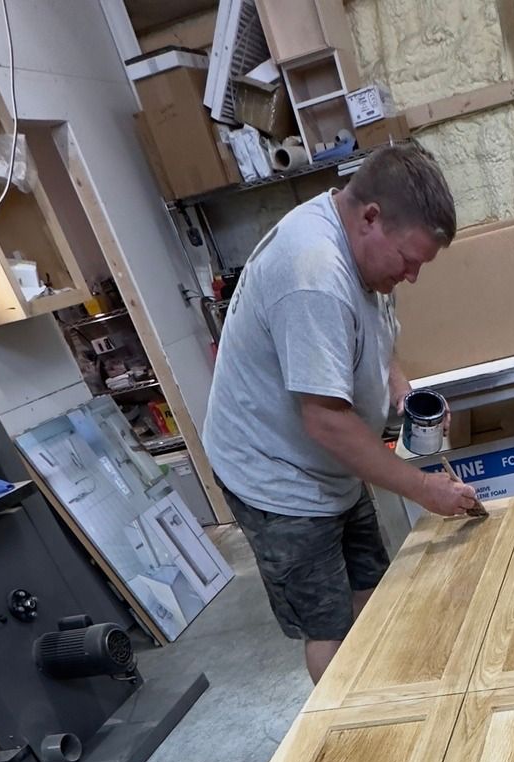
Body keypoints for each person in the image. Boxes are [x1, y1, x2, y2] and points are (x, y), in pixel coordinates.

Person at [203, 142, 480, 683]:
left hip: (328, 464)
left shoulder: (368, 255)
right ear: (371, 218)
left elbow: (372, 334)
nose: (412, 277)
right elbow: (326, 421)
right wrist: (428, 491)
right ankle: (346, 735)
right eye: (409, 262)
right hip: (275, 475)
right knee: (328, 626)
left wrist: (399, 390)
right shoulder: (314, 275)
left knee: (369, 591)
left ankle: (380, 692)